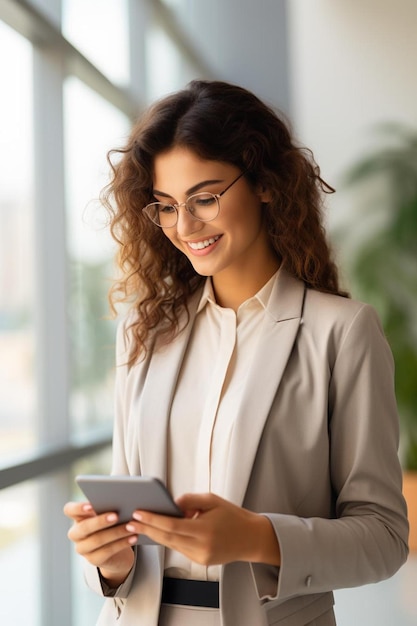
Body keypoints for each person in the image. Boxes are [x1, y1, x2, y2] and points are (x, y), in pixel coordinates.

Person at [64, 80, 409, 626]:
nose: (185, 226)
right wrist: (107, 562)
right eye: (167, 206)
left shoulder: (342, 333)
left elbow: (385, 539)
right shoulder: (145, 331)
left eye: (205, 198)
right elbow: (125, 511)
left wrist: (258, 537)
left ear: (266, 184)